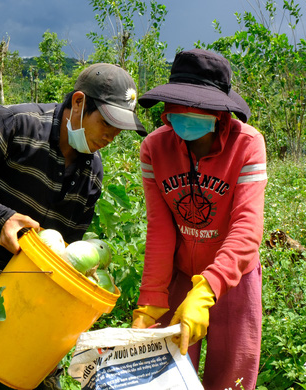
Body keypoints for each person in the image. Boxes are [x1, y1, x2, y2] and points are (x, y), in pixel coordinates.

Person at [0, 63, 145, 390]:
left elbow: (67, 247)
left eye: (119, 130)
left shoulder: (92, 173)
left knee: (25, 372)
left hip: (28, 290)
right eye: (107, 123)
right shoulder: (17, 124)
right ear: (78, 103)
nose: (111, 136)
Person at [131, 48, 267, 390]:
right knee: (170, 374)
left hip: (235, 279)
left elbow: (247, 227)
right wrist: (150, 301)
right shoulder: (154, 148)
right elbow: (160, 229)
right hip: (177, 274)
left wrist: (207, 290)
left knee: (231, 376)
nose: (185, 116)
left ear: (219, 113)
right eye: (178, 108)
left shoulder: (247, 146)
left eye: (198, 108)